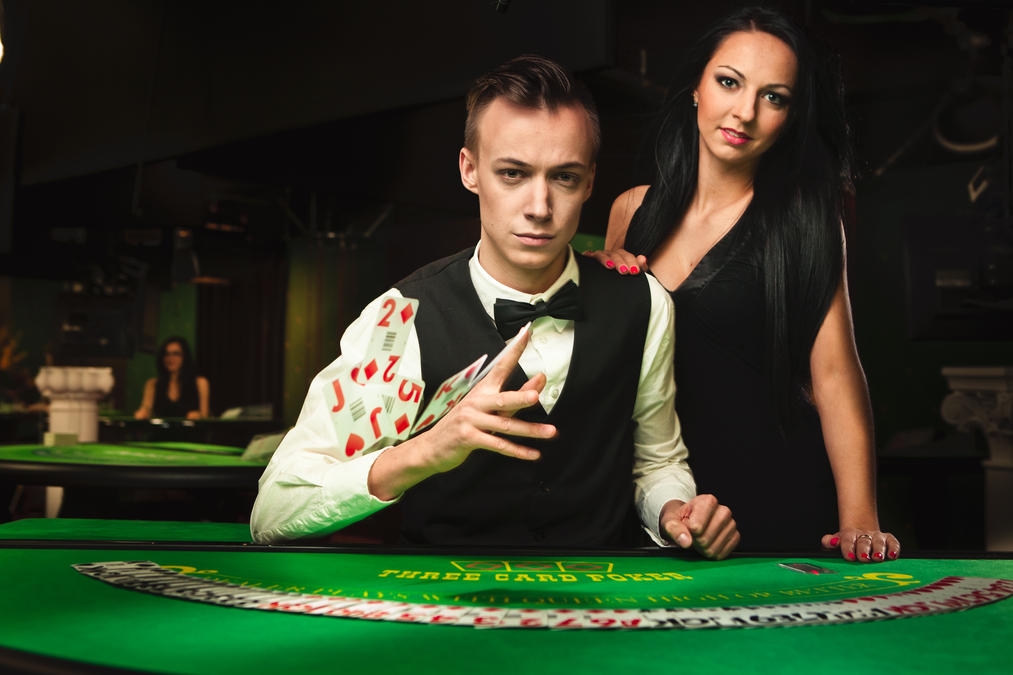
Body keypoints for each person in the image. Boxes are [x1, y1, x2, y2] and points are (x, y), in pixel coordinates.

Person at [251, 54, 739, 558]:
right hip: (442, 596)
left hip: (601, 594)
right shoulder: (401, 319)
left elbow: (657, 462)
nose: (539, 207)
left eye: (564, 177)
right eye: (512, 174)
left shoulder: (642, 301)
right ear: (470, 170)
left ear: (590, 181)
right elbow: (273, 511)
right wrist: (425, 451)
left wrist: (673, 511)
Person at [584, 7, 899, 562]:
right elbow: (609, 367)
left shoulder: (805, 220)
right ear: (696, 87)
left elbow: (833, 374)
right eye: (729, 82)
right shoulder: (630, 212)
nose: (745, 112)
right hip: (660, 504)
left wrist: (859, 519)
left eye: (773, 97)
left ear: (790, 117)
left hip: (775, 497)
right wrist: (601, 287)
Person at [134, 336, 210, 420]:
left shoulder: (200, 382)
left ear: (185, 357)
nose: (170, 358)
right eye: (166, 354)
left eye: (176, 354)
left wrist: (198, 415)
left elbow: (205, 416)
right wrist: (143, 412)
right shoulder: (152, 384)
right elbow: (146, 408)